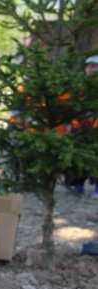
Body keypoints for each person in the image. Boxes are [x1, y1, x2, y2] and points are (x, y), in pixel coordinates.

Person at [66, 55, 98, 197]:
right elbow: (69, 105)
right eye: (88, 66)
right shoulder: (78, 86)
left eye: (94, 66)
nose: (90, 69)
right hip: (79, 126)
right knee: (76, 155)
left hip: (96, 128)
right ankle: (77, 185)